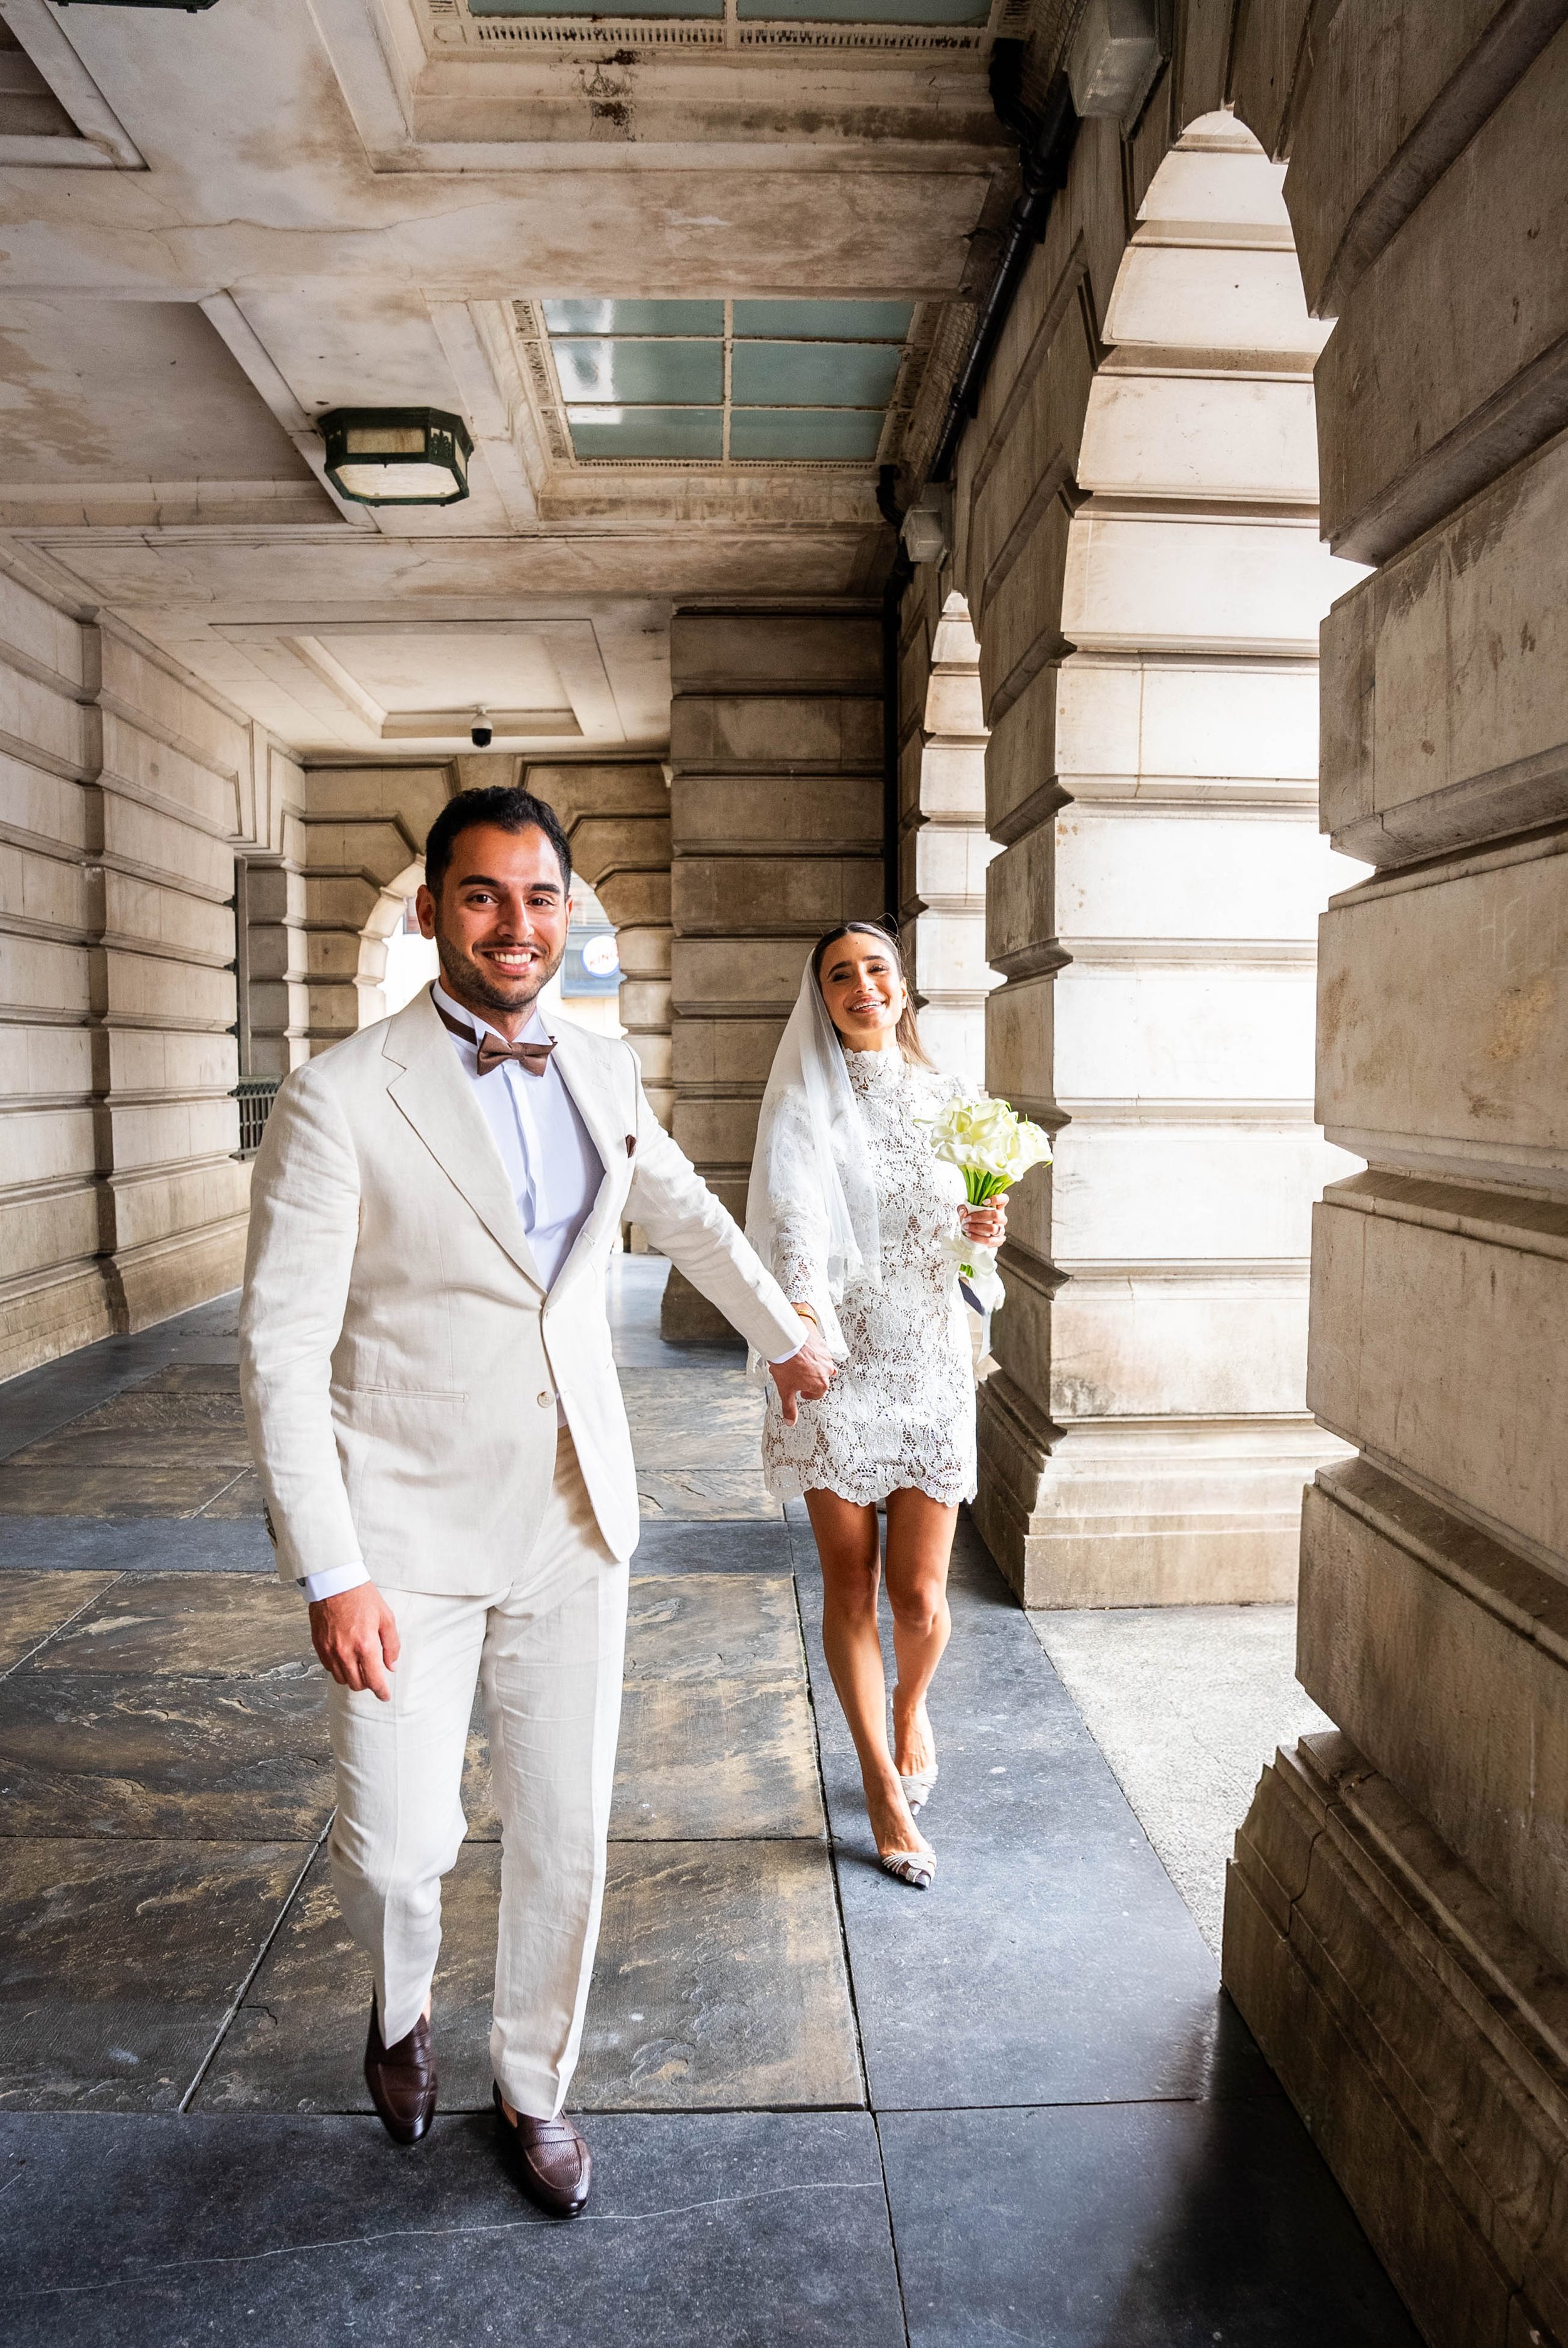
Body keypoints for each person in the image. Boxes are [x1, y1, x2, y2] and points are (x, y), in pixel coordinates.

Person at [240, 783, 834, 2218]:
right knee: (397, 1847)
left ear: (567, 910)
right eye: (485, 896)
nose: (516, 924)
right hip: (403, 1534)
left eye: (540, 896)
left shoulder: (600, 1066)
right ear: (439, 906)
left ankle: (533, 2084)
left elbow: (682, 1203)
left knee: (564, 1826)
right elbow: (278, 1350)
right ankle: (398, 2005)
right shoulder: (339, 1096)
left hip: (576, 1516)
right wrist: (332, 1572)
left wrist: (782, 1332)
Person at [746, 922, 1004, 1892]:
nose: (863, 986)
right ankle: (880, 1787)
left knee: (924, 1601)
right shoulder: (804, 1107)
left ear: (903, 987)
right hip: (839, 1371)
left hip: (931, 1365)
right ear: (823, 996)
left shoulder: (953, 1104)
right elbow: (794, 1219)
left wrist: (983, 1231)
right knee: (851, 1593)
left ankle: (911, 1705)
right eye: (841, 976)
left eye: (877, 970)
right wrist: (804, 1318)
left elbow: (970, 1262)